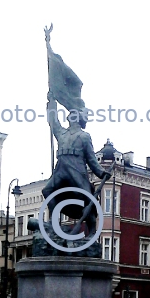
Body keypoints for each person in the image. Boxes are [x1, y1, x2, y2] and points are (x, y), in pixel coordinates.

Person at [42, 92, 108, 236]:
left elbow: (91, 159)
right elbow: (53, 121)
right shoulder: (62, 133)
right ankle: (54, 223)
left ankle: (91, 231)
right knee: (47, 191)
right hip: (61, 168)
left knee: (86, 198)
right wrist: (52, 102)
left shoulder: (84, 136)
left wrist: (101, 172)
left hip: (76, 170)